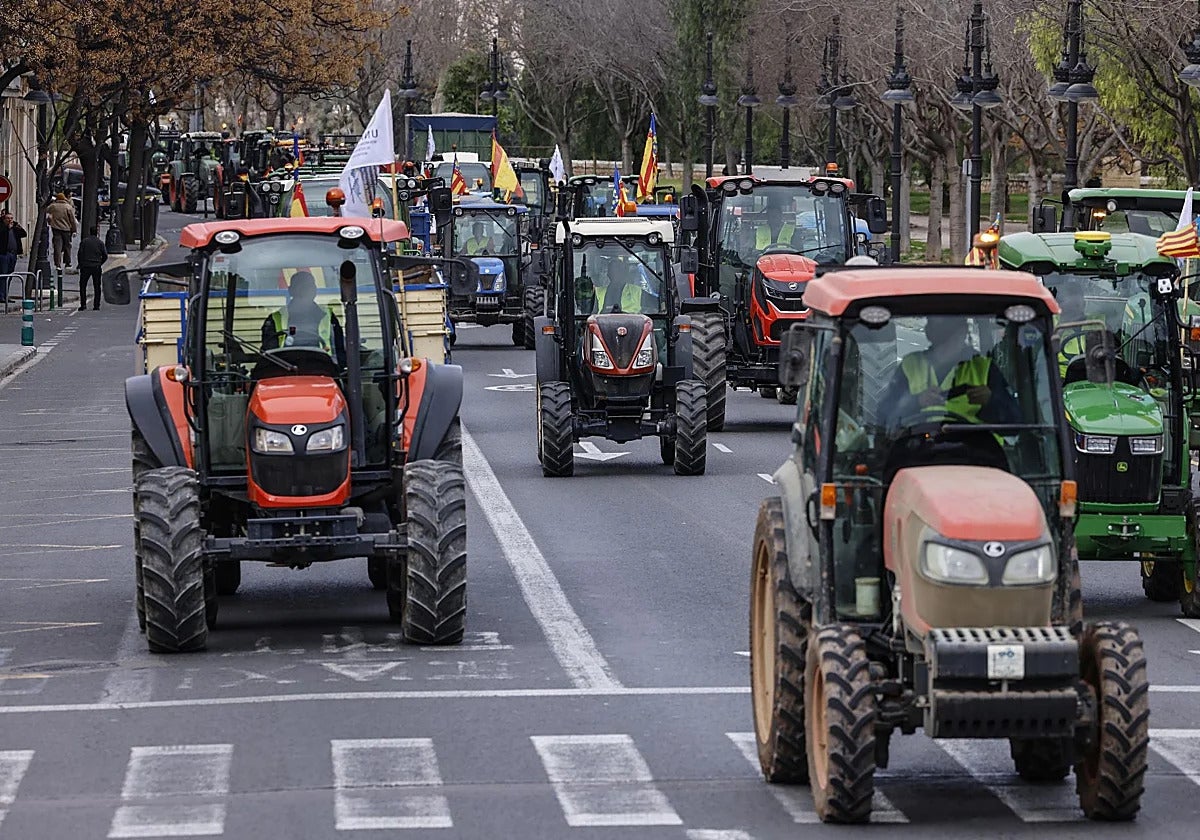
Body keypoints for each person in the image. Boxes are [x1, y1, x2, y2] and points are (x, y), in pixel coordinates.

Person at [882, 317, 1019, 427]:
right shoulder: (910, 366)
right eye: (942, 333)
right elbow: (884, 418)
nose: (947, 340)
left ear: (964, 332)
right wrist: (917, 402)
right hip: (917, 451)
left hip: (975, 453)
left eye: (952, 332)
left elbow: (1015, 424)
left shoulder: (984, 368)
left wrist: (990, 401)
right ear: (929, 333)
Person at [261, 271, 345, 365]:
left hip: (325, 372)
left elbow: (340, 352)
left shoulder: (329, 317)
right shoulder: (274, 319)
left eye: (307, 287)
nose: (304, 291)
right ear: (290, 291)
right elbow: (269, 357)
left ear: (315, 290)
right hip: (285, 372)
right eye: (300, 288)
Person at [76, 227, 108, 311]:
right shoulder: (100, 243)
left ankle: (83, 304)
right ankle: (96, 305)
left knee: (83, 285)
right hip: (96, 266)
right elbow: (105, 255)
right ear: (97, 233)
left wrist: (80, 264)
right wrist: (100, 262)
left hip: (86, 266)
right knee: (97, 286)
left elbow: (79, 254)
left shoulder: (84, 241)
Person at [0, 211, 28, 302]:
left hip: (13, 254)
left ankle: (6, 295)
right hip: (4, 254)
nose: (10, 220)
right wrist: (7, 228)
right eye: (8, 218)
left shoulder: (15, 228)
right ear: (4, 219)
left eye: (11, 218)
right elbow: (2, 234)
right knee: (3, 275)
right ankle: (1, 296)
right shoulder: (2, 227)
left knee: (10, 275)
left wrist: (17, 226)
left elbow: (24, 234)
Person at [47, 192, 77, 275]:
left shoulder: (53, 206)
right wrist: (74, 230)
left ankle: (57, 264)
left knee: (57, 247)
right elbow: (72, 220)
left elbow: (47, 210)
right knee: (67, 246)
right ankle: (67, 262)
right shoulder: (68, 207)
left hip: (56, 229)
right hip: (67, 229)